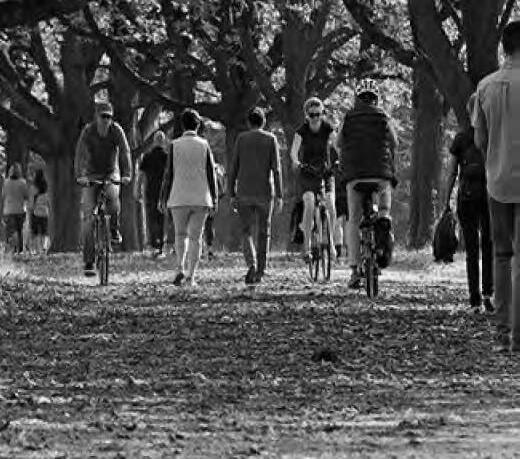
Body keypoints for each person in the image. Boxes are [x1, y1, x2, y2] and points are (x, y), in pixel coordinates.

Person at [473, 20, 520, 351]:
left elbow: (480, 139)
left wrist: (495, 157)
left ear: (504, 48)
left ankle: (502, 334)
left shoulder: (485, 87)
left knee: (502, 255)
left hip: (498, 181)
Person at [337, 78, 398, 288]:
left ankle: (355, 270)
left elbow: (338, 142)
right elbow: (395, 142)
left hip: (355, 175)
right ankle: (382, 236)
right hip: (381, 174)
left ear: (357, 98)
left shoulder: (348, 118)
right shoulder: (383, 116)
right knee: (384, 210)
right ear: (376, 99)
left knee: (354, 220)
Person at [159, 108, 218, 287]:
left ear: (182, 125)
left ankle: (179, 267)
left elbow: (168, 174)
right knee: (195, 237)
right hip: (200, 197)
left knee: (180, 234)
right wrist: (214, 198)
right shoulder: (204, 145)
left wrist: (163, 198)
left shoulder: (174, 145)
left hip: (178, 195)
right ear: (198, 125)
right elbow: (211, 174)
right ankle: (191, 276)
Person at [446, 93, 493, 312]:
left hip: (466, 196)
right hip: (490, 194)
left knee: (472, 249)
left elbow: (451, 173)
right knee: (489, 244)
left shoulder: (461, 138)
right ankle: (489, 293)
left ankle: (474, 300)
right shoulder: (492, 135)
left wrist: (446, 201)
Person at [75, 101, 132, 276]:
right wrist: (80, 175)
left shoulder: (116, 130)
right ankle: (89, 262)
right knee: (88, 219)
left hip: (111, 172)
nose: (106, 120)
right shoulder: (88, 131)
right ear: (96, 117)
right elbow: (80, 154)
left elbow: (125, 152)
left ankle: (114, 229)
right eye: (103, 116)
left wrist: (127, 174)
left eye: (109, 117)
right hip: (91, 174)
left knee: (113, 198)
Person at [228, 107, 283, 284]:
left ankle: (251, 263)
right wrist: (280, 194)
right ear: (264, 122)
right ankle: (261, 269)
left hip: (244, 190)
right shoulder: (271, 139)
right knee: (264, 231)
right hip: (265, 191)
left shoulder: (241, 139)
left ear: (248, 122)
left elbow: (234, 167)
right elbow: (276, 169)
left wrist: (231, 193)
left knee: (246, 230)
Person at [289, 97, 337, 263]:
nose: (316, 118)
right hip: (308, 172)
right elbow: (293, 152)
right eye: (312, 115)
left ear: (323, 113)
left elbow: (337, 145)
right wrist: (296, 162)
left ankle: (331, 243)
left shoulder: (327, 128)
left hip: (325, 171)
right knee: (309, 203)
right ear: (307, 115)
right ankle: (307, 246)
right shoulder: (302, 131)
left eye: (319, 114)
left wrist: (340, 160)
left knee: (331, 205)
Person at [135, 130, 168, 258]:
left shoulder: (147, 156)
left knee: (151, 217)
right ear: (163, 142)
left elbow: (140, 175)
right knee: (161, 218)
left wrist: (137, 189)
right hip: (163, 192)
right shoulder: (167, 157)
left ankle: (153, 244)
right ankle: (160, 245)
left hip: (150, 191)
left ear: (154, 142)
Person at [1, 163, 29, 253]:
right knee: (19, 230)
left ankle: (10, 250)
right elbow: (26, 196)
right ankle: (19, 251)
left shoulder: (6, 183)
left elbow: (3, 196)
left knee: (10, 231)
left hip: (8, 210)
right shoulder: (23, 182)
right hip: (20, 210)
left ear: (10, 172)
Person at [203, 162, 226, 260]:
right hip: (212, 199)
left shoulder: (202, 165)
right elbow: (222, 190)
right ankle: (209, 249)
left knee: (202, 224)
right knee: (209, 224)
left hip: (202, 198)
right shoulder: (218, 168)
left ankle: (203, 250)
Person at [28, 168, 50, 254]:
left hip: (35, 212)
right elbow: (49, 201)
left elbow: (31, 202)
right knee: (44, 232)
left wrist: (30, 210)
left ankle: (36, 249)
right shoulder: (47, 187)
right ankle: (44, 247)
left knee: (35, 232)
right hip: (45, 212)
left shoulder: (33, 188)